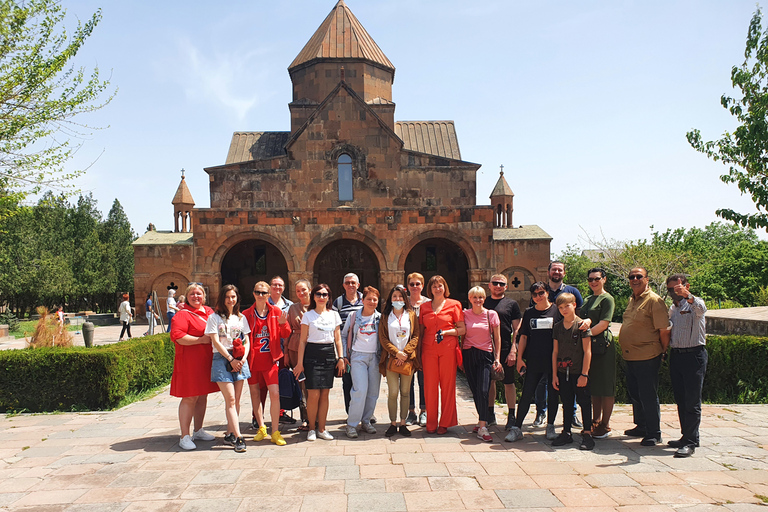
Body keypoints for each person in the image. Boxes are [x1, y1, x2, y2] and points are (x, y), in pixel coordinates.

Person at [619, 267, 670, 446]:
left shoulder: (654, 301)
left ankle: (654, 432)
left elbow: (664, 331)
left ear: (647, 279)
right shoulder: (632, 299)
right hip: (631, 356)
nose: (635, 279)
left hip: (648, 356)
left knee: (648, 395)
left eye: (639, 276)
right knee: (635, 394)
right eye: (631, 276)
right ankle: (641, 426)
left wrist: (663, 352)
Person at [531, 261, 583, 429]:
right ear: (548, 272)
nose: (557, 272)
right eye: (554, 269)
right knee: (542, 382)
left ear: (564, 273)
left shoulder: (572, 291)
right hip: (544, 344)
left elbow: (579, 313)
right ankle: (541, 412)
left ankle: (572, 414)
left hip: (567, 342)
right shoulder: (542, 291)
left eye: (560, 270)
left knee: (568, 378)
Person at [506, 282, 560, 442]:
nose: (538, 297)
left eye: (541, 293)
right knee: (527, 394)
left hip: (553, 361)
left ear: (547, 293)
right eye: (534, 294)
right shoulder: (529, 312)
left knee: (553, 394)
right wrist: (519, 358)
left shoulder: (557, 310)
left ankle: (550, 427)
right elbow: (523, 337)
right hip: (534, 360)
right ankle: (517, 428)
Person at [293, 283, 345, 441]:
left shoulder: (334, 314)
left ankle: (322, 429)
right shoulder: (308, 315)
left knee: (325, 394)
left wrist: (341, 358)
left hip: (328, 355)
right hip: (312, 355)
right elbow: (302, 341)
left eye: (325, 294)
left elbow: (338, 339)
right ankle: (311, 428)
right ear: (313, 296)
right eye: (318, 294)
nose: (322, 297)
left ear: (329, 297)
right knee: (313, 394)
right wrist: (300, 363)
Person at [242, 281, 292, 446]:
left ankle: (275, 431)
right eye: (258, 292)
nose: (261, 295)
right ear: (254, 294)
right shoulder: (247, 314)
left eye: (264, 292)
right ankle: (261, 427)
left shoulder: (276, 312)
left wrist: (283, 323)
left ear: (269, 295)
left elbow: (286, 333)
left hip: (271, 360)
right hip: (253, 361)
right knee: (255, 394)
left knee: (275, 394)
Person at [170, 283, 217, 451]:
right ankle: (184, 436)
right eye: (193, 294)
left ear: (204, 296)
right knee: (190, 397)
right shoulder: (182, 315)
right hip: (189, 362)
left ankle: (198, 430)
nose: (196, 296)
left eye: (199, 294)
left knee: (202, 396)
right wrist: (201, 340)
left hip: (206, 361)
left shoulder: (209, 312)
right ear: (187, 296)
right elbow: (178, 337)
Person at [206, 284, 251, 453]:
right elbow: (216, 341)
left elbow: (246, 339)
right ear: (222, 298)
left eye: (233, 296)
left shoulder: (241, 317)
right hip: (223, 357)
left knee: (236, 400)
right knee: (230, 399)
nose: (231, 300)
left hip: (239, 358)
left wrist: (243, 358)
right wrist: (231, 359)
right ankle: (239, 437)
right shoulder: (214, 318)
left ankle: (230, 433)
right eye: (227, 297)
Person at [666, 273, 707, 458]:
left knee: (692, 400)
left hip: (694, 355)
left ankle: (690, 442)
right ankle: (688, 436)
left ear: (686, 286)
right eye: (670, 290)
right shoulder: (672, 308)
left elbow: (701, 309)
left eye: (677, 288)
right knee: (681, 399)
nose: (674, 293)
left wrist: (688, 296)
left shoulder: (694, 304)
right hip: (677, 356)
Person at [419, 275, 465, 434]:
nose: (437, 289)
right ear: (430, 290)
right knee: (430, 386)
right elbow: (420, 330)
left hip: (448, 348)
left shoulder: (454, 305)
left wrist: (447, 332)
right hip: (428, 349)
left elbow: (462, 329)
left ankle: (445, 422)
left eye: (440, 286)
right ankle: (431, 422)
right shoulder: (424, 307)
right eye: (434, 287)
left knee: (447, 385)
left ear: (445, 287)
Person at [551, 293, 594, 450]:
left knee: (584, 402)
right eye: (560, 307)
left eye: (567, 306)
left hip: (578, 371)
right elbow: (555, 352)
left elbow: (588, 351)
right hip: (563, 371)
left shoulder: (582, 326)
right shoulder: (557, 327)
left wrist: (584, 374)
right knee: (567, 403)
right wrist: (555, 374)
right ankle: (566, 432)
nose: (564, 310)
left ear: (574, 305)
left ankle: (587, 433)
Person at [578, 268, 616, 439]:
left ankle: (605, 424)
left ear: (604, 279)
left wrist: (586, 335)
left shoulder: (607, 299)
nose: (593, 282)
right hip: (589, 347)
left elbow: (604, 323)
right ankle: (595, 421)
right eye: (590, 279)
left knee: (606, 388)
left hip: (602, 347)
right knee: (594, 387)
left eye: (597, 279)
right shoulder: (587, 299)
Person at [379, 284, 420, 437]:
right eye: (395, 296)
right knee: (393, 392)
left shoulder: (411, 315)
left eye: (400, 297)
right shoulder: (385, 316)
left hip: (407, 360)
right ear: (390, 299)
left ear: (405, 299)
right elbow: (383, 338)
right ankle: (392, 423)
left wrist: (405, 353)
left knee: (405, 392)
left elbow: (416, 335)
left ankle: (403, 422)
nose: (397, 299)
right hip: (391, 359)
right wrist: (397, 353)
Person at [463, 286, 502, 442]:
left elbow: (497, 338)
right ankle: (481, 420)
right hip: (469, 354)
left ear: (484, 299)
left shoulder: (491, 315)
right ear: (470, 299)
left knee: (484, 389)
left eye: (480, 297)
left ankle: (483, 427)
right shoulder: (464, 314)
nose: (477, 300)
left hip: (485, 354)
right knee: (475, 390)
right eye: (474, 297)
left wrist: (497, 358)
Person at [342, 286, 382, 438]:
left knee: (373, 393)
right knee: (360, 390)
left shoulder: (379, 318)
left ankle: (366, 421)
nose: (371, 302)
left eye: (374, 299)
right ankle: (352, 424)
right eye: (369, 299)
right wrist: (345, 355)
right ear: (362, 300)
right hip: (358, 357)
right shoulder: (353, 316)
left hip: (375, 357)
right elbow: (344, 335)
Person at [483, 274, 522, 430]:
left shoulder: (511, 304)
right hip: (486, 347)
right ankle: (490, 413)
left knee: (508, 381)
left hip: (505, 347)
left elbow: (517, 329)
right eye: (495, 283)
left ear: (506, 287)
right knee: (490, 381)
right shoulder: (483, 302)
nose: (498, 286)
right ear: (489, 285)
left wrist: (514, 349)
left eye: (501, 284)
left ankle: (511, 414)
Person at [333, 273, 363, 414]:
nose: (350, 285)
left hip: (363, 348)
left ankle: (366, 413)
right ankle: (350, 412)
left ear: (358, 285)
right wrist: (341, 354)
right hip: (346, 349)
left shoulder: (365, 299)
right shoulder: (338, 303)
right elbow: (335, 328)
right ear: (343, 285)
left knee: (363, 382)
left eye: (353, 282)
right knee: (348, 382)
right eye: (348, 282)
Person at [267, 275, 295, 424]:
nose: (277, 288)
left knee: (281, 381)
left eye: (280, 285)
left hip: (283, 348)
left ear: (284, 288)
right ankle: (255, 416)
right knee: (262, 385)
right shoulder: (264, 303)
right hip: (267, 350)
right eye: (274, 285)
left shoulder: (289, 305)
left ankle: (280, 412)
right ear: (270, 287)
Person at [286, 279, 312, 429]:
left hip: (312, 347)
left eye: (303, 290)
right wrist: (286, 352)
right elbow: (288, 331)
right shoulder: (293, 308)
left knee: (312, 384)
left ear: (309, 289)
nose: (301, 293)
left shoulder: (316, 306)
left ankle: (315, 416)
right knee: (301, 383)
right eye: (298, 291)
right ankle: (305, 418)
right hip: (295, 347)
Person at [405, 272, 429, 427]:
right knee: (408, 381)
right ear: (407, 286)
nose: (415, 287)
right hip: (406, 347)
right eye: (412, 284)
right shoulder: (402, 302)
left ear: (422, 285)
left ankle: (424, 411)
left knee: (424, 381)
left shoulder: (428, 303)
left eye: (417, 284)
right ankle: (411, 412)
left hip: (425, 346)